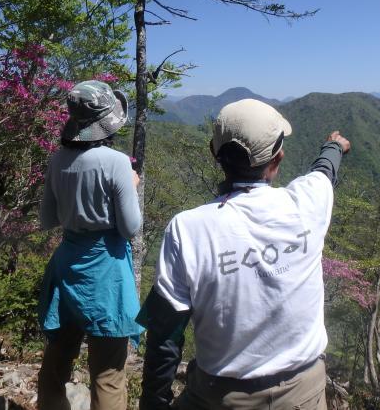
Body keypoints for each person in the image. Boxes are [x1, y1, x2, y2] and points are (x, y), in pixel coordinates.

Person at [138, 98, 351, 410]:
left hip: (218, 397)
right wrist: (334, 145)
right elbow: (324, 171)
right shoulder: (307, 204)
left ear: (215, 153)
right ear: (278, 158)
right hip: (303, 392)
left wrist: (153, 403)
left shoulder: (188, 228)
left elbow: (165, 332)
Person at [37, 80, 142, 410]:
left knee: (56, 360)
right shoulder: (116, 162)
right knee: (108, 372)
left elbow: (47, 218)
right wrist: (131, 185)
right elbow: (130, 227)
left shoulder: (58, 159)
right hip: (106, 272)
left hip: (67, 264)